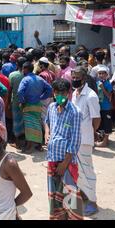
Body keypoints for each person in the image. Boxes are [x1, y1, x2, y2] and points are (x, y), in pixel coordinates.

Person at [45, 79, 83, 220]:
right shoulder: (51, 107)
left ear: (68, 93)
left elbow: (75, 141)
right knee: (54, 196)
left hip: (66, 162)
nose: (59, 95)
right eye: (57, 92)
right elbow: (47, 122)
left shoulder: (75, 112)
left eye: (63, 93)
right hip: (52, 158)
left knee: (70, 197)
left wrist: (64, 164)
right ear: (53, 93)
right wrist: (47, 134)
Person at [71, 67, 101, 217]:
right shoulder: (75, 94)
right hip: (74, 139)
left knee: (87, 170)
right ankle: (83, 194)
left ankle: (93, 201)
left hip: (85, 139)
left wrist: (91, 133)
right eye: (73, 77)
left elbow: (96, 119)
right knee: (77, 170)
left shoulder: (91, 96)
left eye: (76, 77)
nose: (74, 79)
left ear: (83, 78)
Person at [17, 62, 52, 153]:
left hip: (28, 104)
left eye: (23, 69)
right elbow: (49, 89)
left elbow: (20, 91)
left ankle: (29, 146)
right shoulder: (40, 79)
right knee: (37, 124)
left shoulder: (25, 79)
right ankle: (39, 145)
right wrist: (42, 97)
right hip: (38, 104)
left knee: (28, 126)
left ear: (25, 69)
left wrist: (22, 101)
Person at [9, 57, 27, 148]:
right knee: (25, 121)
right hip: (27, 101)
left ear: (17, 64)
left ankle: (17, 143)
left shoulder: (12, 75)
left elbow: (10, 90)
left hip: (15, 101)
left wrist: (8, 102)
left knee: (16, 122)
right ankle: (26, 142)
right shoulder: (28, 75)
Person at [95, 66, 113, 147]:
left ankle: (105, 142)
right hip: (99, 107)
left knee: (107, 124)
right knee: (101, 124)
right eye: (99, 73)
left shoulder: (108, 84)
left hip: (106, 107)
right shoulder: (97, 83)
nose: (101, 75)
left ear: (106, 75)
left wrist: (103, 88)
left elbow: (109, 96)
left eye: (103, 73)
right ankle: (103, 139)